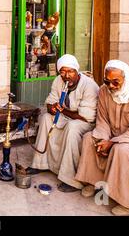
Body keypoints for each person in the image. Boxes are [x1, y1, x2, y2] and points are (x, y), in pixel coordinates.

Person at [75, 60, 129, 216]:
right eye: (107, 81)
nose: (111, 86)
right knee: (89, 138)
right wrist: (102, 139)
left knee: (121, 150)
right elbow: (102, 121)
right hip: (112, 137)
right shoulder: (103, 91)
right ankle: (95, 183)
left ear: (126, 78)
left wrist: (112, 142)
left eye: (116, 82)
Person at [26, 54, 99, 192]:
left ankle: (71, 179)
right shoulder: (58, 81)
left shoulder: (89, 86)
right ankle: (40, 163)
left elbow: (86, 117)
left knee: (72, 127)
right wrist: (52, 107)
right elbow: (50, 101)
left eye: (70, 71)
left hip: (85, 122)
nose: (66, 75)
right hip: (68, 116)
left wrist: (62, 111)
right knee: (47, 118)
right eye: (63, 71)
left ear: (77, 71)